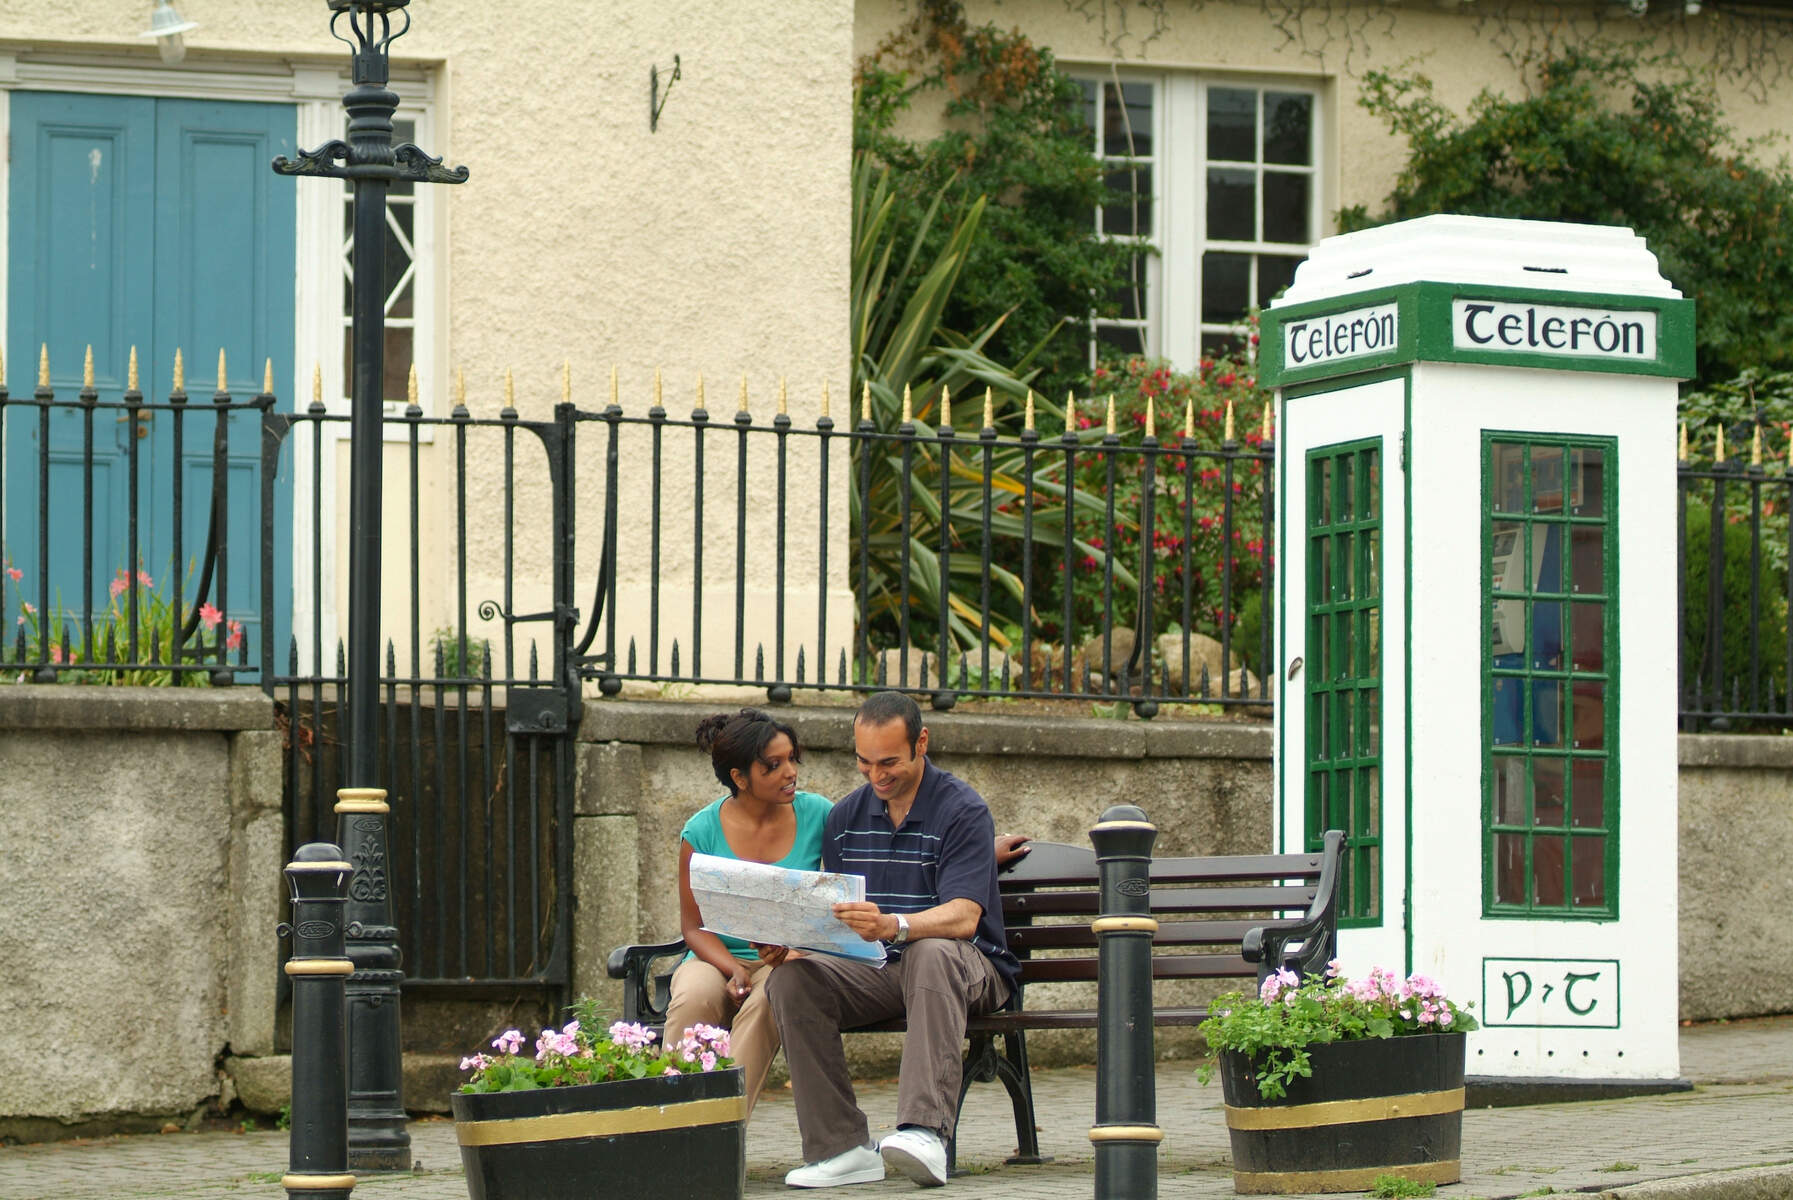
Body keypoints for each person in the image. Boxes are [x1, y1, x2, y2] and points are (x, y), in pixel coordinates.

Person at [767, 690, 1019, 1190]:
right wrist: (796, 944)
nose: (876, 775)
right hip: (880, 968)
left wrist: (895, 925)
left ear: (921, 742)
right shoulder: (844, 819)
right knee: (792, 980)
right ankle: (841, 1149)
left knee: (930, 952)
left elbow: (964, 918)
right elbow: (840, 922)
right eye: (864, 762)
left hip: (970, 967)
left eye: (889, 762)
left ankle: (925, 1131)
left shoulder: (962, 809)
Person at [665, 707, 828, 1118]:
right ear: (739, 777)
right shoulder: (701, 831)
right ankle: (669, 1122)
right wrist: (732, 969)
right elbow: (693, 927)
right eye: (773, 765)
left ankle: (718, 1125)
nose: (790, 771)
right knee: (693, 997)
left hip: (788, 960)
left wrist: (801, 951)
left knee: (768, 1000)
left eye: (792, 758)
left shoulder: (819, 816)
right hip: (716, 954)